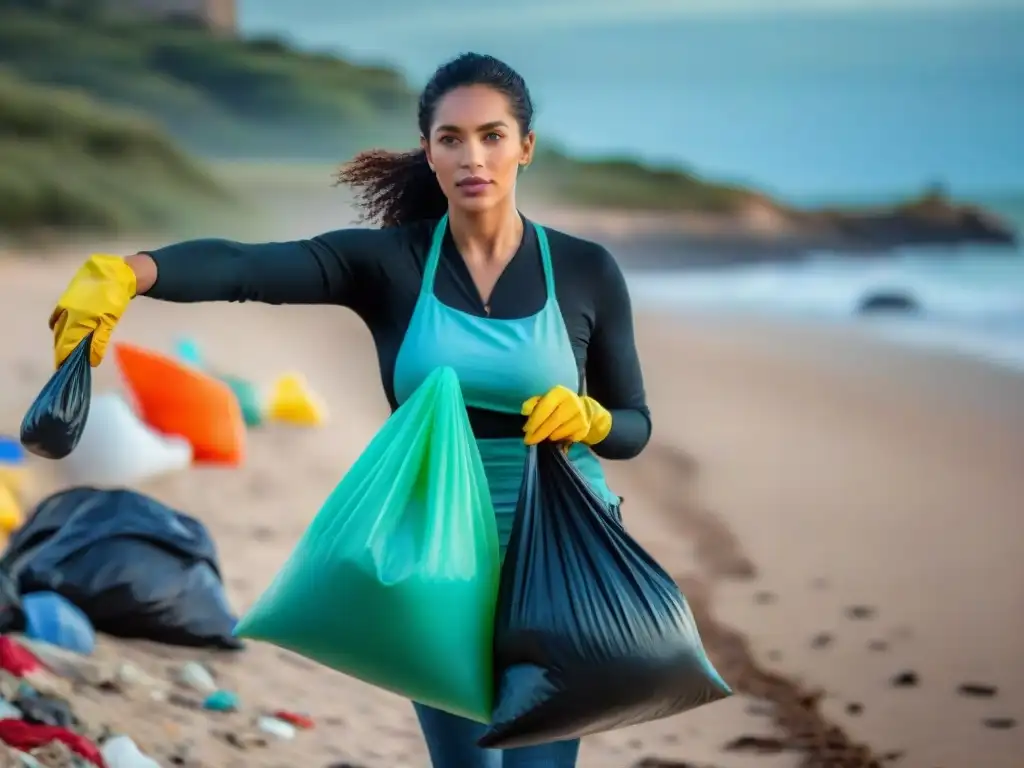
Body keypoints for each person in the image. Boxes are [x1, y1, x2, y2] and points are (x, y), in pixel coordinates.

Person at [48, 52, 652, 768]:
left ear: (526, 145)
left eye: (492, 135)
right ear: (427, 151)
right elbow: (250, 267)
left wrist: (592, 418)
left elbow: (633, 425)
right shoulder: (390, 264)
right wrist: (133, 272)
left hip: (561, 549)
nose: (472, 156)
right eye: (451, 138)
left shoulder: (585, 270)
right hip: (436, 555)